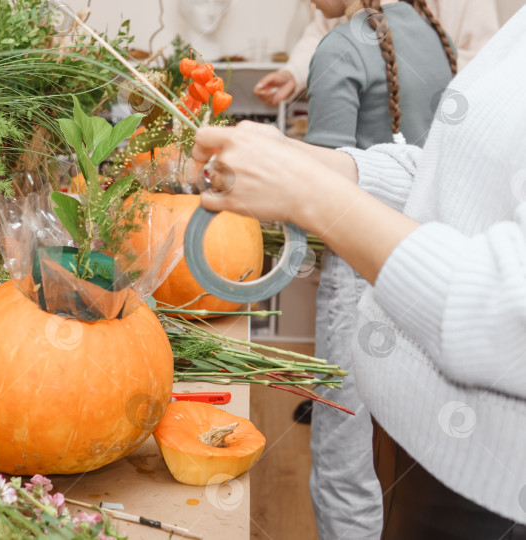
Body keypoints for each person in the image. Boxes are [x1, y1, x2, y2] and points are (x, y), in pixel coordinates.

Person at [191, 5, 526, 538]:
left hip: (489, 494)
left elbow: (509, 306)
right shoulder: (457, 29)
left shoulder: (343, 45)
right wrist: (299, 161)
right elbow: (446, 174)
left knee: (341, 459)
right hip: (423, 457)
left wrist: (307, 192)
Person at [300, 1, 455, 538]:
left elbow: (315, 189)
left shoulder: (340, 47)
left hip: (358, 263)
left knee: (342, 446)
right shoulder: (435, 36)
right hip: (427, 254)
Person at [254, 0, 499, 106]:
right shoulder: (340, 19)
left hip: (438, 125)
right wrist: (294, 74)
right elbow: (320, 33)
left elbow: (483, 60)